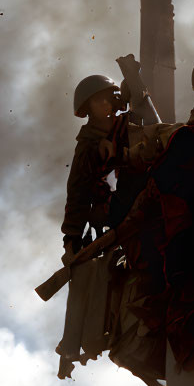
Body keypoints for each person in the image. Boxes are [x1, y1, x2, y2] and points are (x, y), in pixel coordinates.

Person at [61, 74, 121, 263]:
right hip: (107, 215)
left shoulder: (125, 128)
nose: (104, 103)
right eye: (97, 100)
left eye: (107, 98)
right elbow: (78, 190)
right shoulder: (88, 147)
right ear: (88, 107)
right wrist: (72, 236)